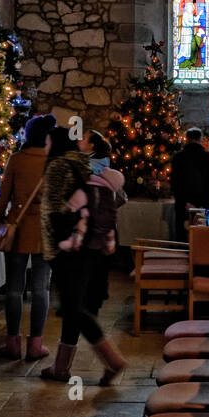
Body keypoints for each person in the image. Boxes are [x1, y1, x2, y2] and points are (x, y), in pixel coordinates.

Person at [38, 126, 127, 385]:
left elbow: (53, 212)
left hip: (72, 247)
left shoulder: (57, 166)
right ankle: (61, 367)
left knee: (74, 307)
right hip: (96, 245)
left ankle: (112, 360)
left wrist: (53, 250)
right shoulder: (86, 164)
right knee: (76, 307)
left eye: (47, 142)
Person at [0, 114, 55, 362]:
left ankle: (12, 343)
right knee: (41, 288)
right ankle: (36, 345)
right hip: (45, 230)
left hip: (18, 227)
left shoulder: (17, 160)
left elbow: (3, 196)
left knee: (15, 289)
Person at [82, 132, 127, 319]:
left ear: (91, 146)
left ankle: (89, 301)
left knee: (90, 262)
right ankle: (95, 298)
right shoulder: (104, 164)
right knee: (98, 264)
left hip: (93, 222)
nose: (79, 140)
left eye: (84, 138)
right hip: (103, 223)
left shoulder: (91, 167)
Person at [170, 127, 209, 240]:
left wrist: (185, 203)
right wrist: (203, 204)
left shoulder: (178, 157)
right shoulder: (208, 157)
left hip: (183, 205)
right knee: (202, 238)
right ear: (201, 139)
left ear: (187, 139)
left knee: (183, 237)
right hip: (204, 205)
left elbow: (175, 183)